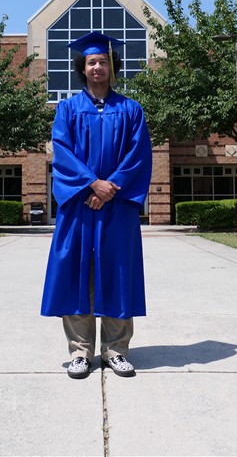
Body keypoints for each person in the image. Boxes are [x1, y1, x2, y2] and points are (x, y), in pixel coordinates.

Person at [40, 31, 153, 379]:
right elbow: (62, 153)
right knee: (77, 274)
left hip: (116, 207)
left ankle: (116, 350)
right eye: (92, 62)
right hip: (80, 205)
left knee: (117, 273)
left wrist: (108, 189)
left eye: (103, 61)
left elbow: (139, 155)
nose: (97, 67)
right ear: (83, 68)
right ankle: (80, 352)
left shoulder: (131, 110)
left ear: (112, 66)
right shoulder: (68, 109)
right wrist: (92, 184)